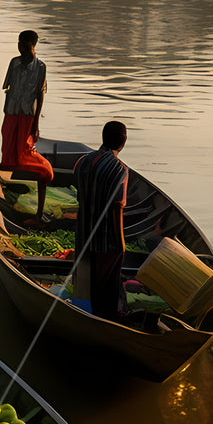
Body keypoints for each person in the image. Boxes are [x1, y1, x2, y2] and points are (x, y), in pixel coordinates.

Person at [74, 121, 130, 322]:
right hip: (105, 241)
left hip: (82, 236)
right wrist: (121, 244)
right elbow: (116, 209)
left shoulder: (81, 162)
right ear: (123, 142)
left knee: (87, 287)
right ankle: (105, 321)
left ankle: (88, 318)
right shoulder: (119, 169)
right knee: (106, 291)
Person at [0, 29, 54, 219]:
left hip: (27, 115)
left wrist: (36, 124)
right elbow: (9, 88)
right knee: (8, 151)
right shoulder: (14, 63)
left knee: (24, 150)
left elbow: (40, 95)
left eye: (23, 43)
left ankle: (43, 170)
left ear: (31, 44)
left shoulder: (41, 67)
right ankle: (9, 185)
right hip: (11, 112)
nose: (19, 46)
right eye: (18, 42)